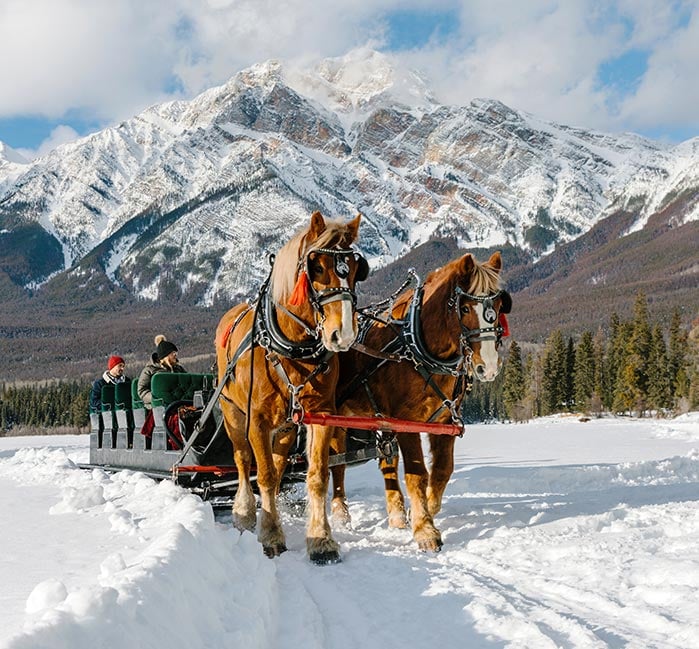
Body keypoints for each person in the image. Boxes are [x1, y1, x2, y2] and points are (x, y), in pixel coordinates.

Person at [137, 335, 187, 409]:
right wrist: (157, 398)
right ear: (165, 355)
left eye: (175, 352)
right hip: (157, 407)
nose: (175, 355)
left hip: (179, 405)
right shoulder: (149, 370)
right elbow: (142, 391)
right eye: (172, 353)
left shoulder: (179, 369)